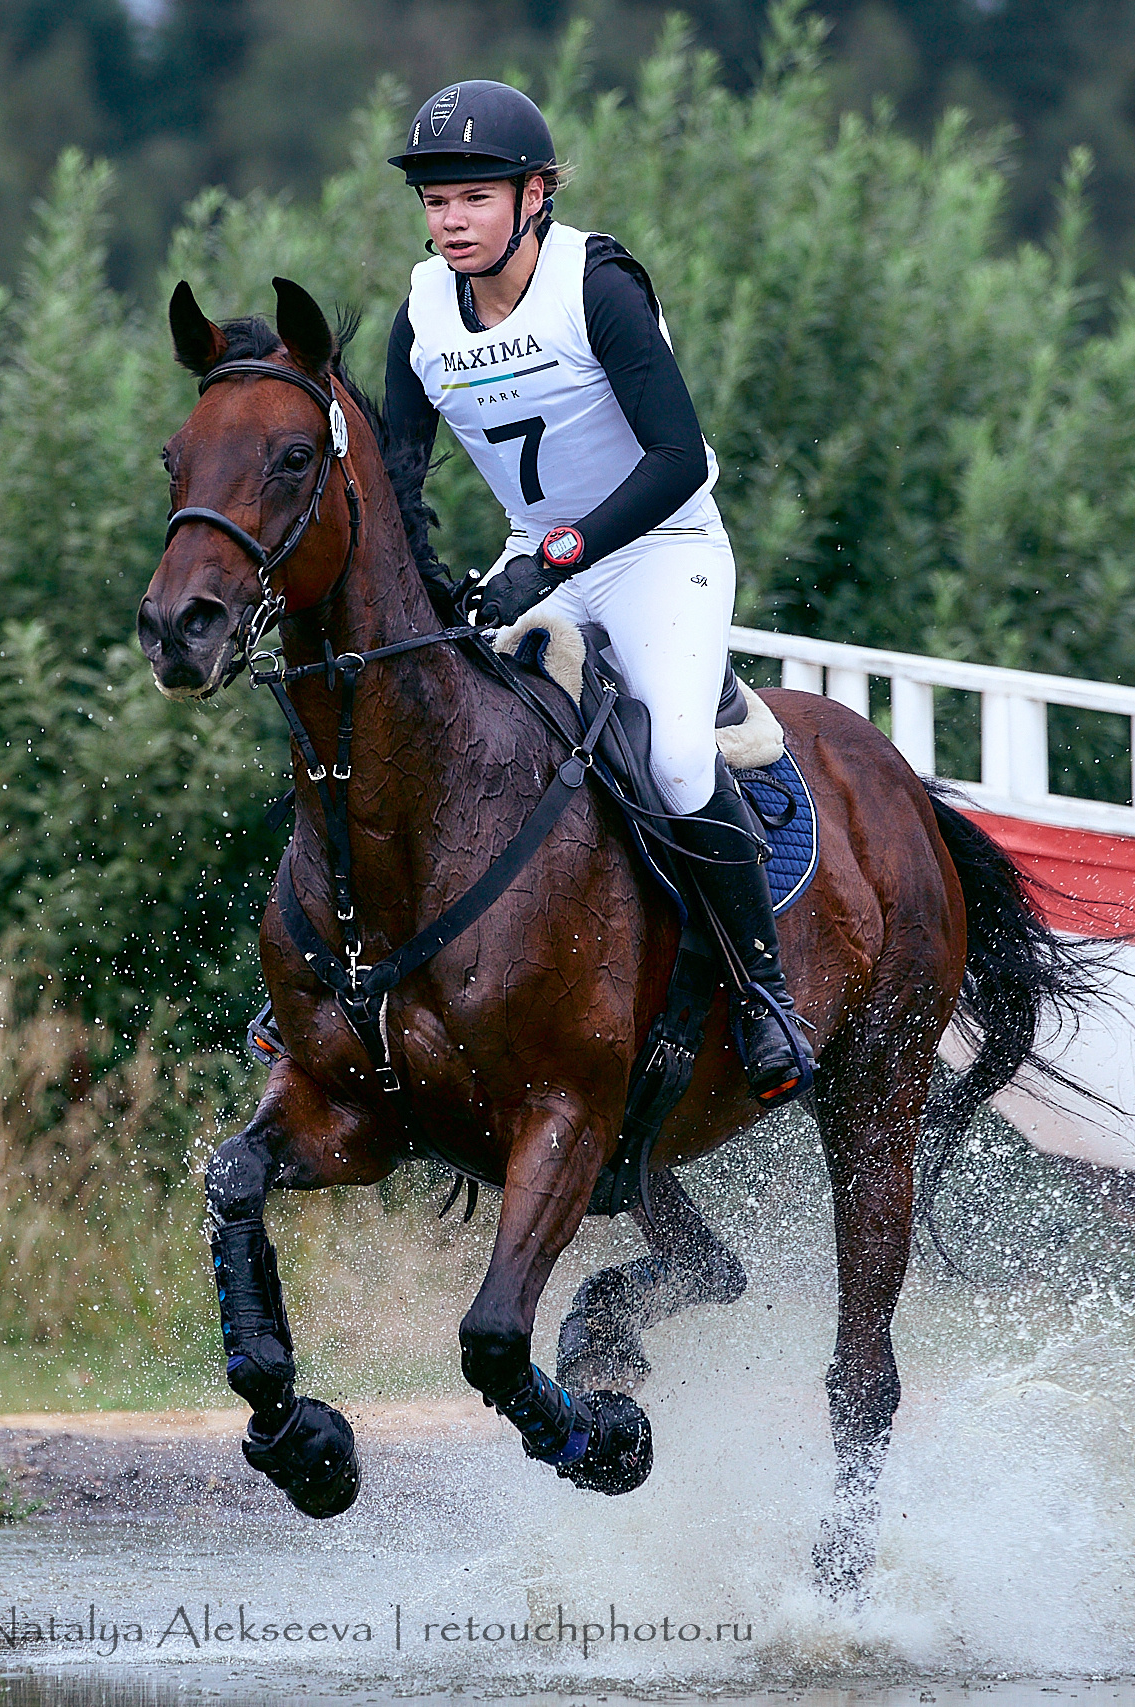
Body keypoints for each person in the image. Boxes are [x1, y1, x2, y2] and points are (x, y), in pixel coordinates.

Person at [381, 79, 810, 1106]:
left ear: (535, 195)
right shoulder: (421, 313)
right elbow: (399, 472)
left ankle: (763, 995)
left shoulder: (597, 288)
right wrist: (429, 586)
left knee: (668, 754)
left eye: (474, 198)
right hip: (539, 560)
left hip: (660, 550)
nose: (451, 222)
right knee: (434, 729)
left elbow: (675, 461)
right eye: (436, 202)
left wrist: (558, 556)